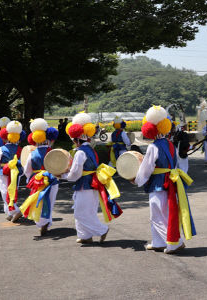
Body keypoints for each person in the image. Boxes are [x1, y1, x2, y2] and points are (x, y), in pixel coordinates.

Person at [135, 105, 196, 253]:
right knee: (164, 214)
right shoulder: (170, 144)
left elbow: (146, 168)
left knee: (157, 215)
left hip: (158, 183)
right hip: (170, 181)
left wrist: (137, 180)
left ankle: (175, 242)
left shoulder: (153, 147)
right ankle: (158, 242)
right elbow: (176, 163)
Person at [61, 113, 121, 243]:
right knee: (88, 211)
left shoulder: (80, 152)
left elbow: (75, 174)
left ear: (76, 140)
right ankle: (85, 236)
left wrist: (62, 176)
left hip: (85, 185)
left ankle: (102, 230)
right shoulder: (91, 149)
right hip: (93, 184)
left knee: (80, 213)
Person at [20, 119, 60, 236]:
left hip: (38, 180)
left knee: (39, 202)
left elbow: (27, 169)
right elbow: (59, 167)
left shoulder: (32, 153)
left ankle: (40, 222)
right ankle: (47, 221)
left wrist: (29, 178)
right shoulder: (53, 152)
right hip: (52, 180)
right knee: (50, 201)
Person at [0, 120, 24, 222]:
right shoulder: (21, 149)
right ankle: (9, 212)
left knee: (4, 192)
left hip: (3, 172)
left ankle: (16, 210)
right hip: (16, 173)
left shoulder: (0, 149)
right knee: (13, 192)